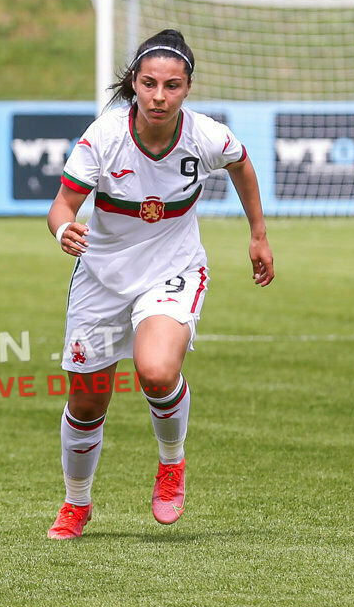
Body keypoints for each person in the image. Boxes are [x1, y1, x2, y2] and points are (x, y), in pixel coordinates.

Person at [46, 29, 274, 539]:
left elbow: (242, 163)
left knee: (155, 370)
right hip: (101, 277)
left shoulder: (205, 136)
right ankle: (76, 503)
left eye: (172, 86)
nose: (158, 96)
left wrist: (258, 235)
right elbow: (61, 205)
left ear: (187, 89)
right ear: (134, 82)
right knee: (86, 401)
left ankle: (172, 463)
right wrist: (65, 228)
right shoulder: (104, 137)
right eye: (149, 84)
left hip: (173, 269)